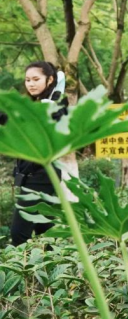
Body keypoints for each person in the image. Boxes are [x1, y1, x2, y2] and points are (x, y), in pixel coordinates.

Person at [11, 62, 68, 246]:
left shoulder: (57, 103)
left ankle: (24, 271)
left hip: (42, 176)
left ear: (49, 80)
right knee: (45, 229)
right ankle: (58, 267)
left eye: (36, 79)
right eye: (28, 80)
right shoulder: (29, 105)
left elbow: (61, 124)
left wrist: (49, 108)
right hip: (28, 176)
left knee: (19, 234)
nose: (31, 84)